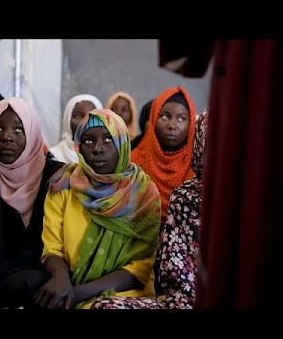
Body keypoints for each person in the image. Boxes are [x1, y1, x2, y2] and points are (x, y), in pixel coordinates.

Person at [34, 108, 161, 309]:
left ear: (123, 145)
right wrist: (61, 278)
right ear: (79, 148)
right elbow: (52, 248)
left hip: (126, 294)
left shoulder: (143, 192)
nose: (97, 148)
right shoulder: (63, 185)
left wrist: (78, 293)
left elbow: (140, 266)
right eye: (88, 141)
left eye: (108, 140)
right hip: (68, 285)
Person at [90, 108, 209, 309]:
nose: (98, 149)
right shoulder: (186, 198)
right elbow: (179, 282)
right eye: (212, 150)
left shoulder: (264, 206)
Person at [0, 97, 65, 308]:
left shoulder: (58, 176)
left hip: (49, 277)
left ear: (33, 134)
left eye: (19, 129)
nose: (7, 137)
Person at [131, 87, 196, 226]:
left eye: (181, 118)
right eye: (165, 116)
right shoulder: (133, 162)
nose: (172, 125)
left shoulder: (198, 167)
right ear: (154, 119)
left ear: (190, 124)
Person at [48, 94, 103, 163]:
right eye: (77, 116)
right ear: (67, 119)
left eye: (92, 116)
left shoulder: (106, 156)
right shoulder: (53, 157)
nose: (85, 122)